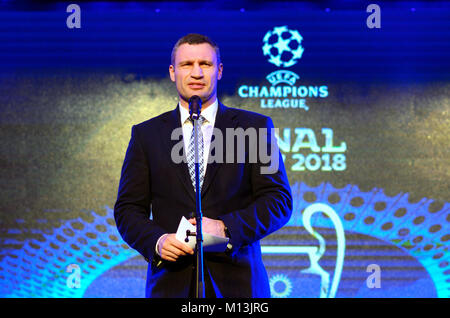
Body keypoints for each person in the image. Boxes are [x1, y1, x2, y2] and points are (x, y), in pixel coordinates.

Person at [114, 33, 292, 298]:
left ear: (219, 71)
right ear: (173, 72)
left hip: (240, 286)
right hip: (171, 284)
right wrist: (158, 241)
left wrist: (226, 227)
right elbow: (128, 209)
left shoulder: (253, 128)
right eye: (187, 64)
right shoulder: (146, 135)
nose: (196, 72)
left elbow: (279, 200)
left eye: (205, 64)